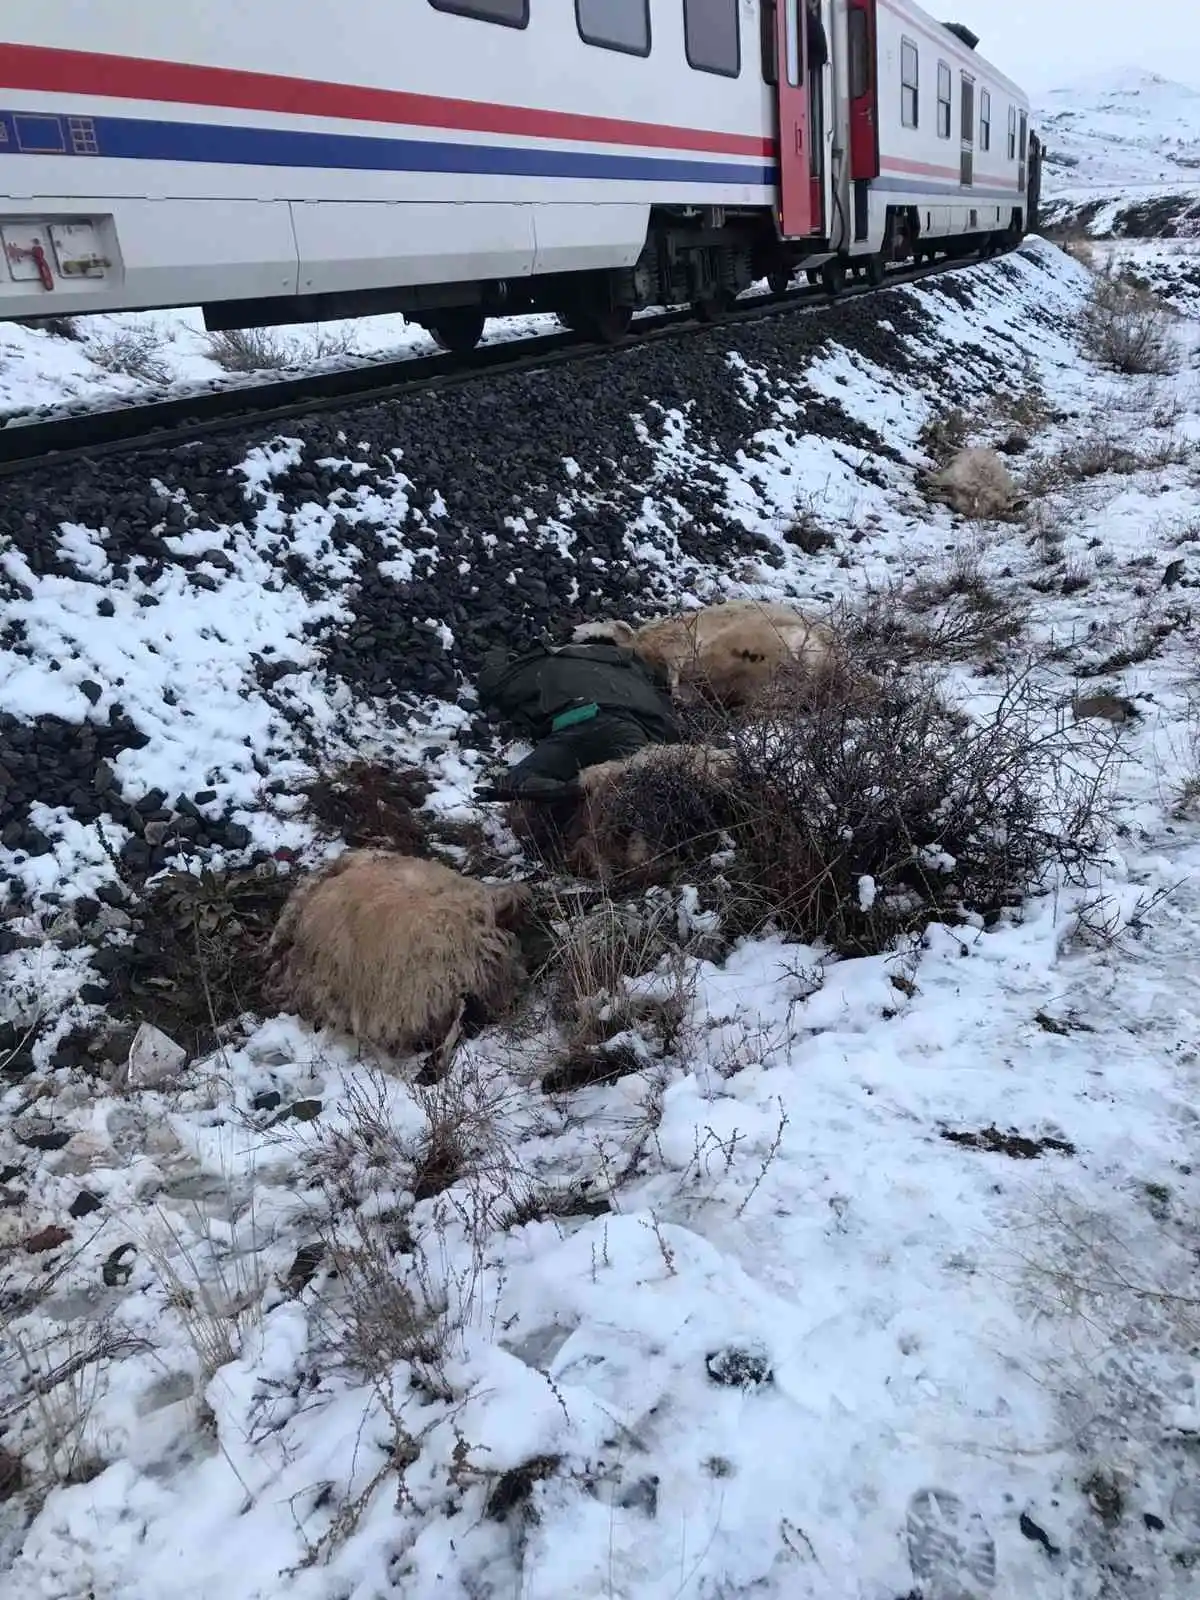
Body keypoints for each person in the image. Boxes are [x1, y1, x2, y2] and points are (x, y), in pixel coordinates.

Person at [474, 639, 680, 803]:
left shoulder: (546, 662)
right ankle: (584, 789)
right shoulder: (635, 669)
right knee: (636, 784)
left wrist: (497, 650)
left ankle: (566, 791)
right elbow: (668, 723)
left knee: (515, 781)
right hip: (627, 727)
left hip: (574, 724)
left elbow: (494, 681)